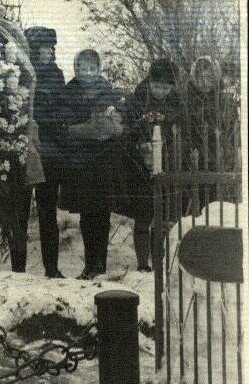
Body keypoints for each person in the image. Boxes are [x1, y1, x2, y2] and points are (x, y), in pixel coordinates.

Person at [61, 49, 123, 280]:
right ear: (76, 69)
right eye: (83, 68)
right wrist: (86, 130)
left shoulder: (109, 92)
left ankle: (101, 265)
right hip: (80, 162)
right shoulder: (68, 92)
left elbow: (120, 123)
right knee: (87, 215)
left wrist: (111, 129)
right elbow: (64, 127)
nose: (88, 72)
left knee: (103, 213)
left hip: (104, 161)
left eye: (92, 68)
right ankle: (90, 265)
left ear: (99, 69)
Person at [119, 58, 182, 272]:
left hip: (168, 164)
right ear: (149, 82)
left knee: (162, 217)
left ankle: (158, 261)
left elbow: (183, 123)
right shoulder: (136, 98)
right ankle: (142, 263)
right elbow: (125, 129)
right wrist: (139, 140)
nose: (160, 91)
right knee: (143, 215)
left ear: (172, 87)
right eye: (156, 86)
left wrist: (167, 119)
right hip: (140, 166)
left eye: (166, 87)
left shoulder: (176, 102)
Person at [25, 26, 68, 278]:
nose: (50, 52)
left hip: (49, 152)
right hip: (25, 148)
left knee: (47, 212)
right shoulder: (22, 73)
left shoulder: (56, 75)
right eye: (44, 47)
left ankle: (51, 268)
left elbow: (60, 112)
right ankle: (18, 270)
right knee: (20, 213)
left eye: (52, 47)